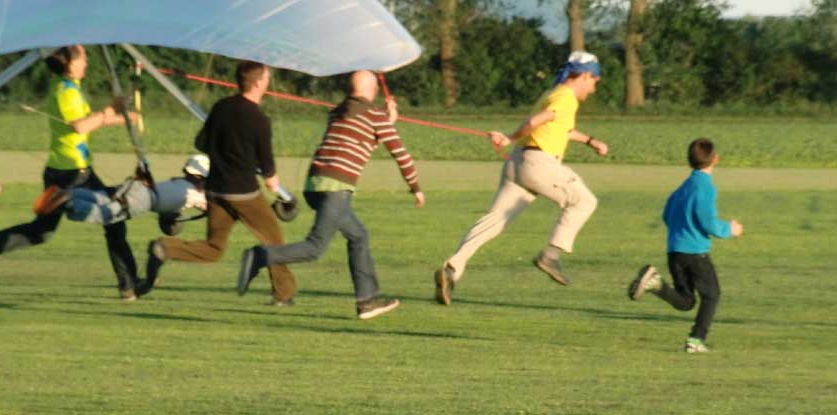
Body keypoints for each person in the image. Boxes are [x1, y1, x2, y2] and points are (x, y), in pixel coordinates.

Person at [235, 70, 425, 320]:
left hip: (315, 185)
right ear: (374, 90)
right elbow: (401, 154)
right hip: (336, 187)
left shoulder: (340, 110)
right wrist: (416, 188)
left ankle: (366, 301)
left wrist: (387, 121)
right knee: (315, 248)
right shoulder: (375, 116)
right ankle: (260, 256)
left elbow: (361, 142)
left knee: (358, 236)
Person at [435, 50, 607, 305]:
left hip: (518, 164)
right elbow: (537, 120)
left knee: (494, 221)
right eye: (594, 80)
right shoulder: (567, 97)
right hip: (539, 164)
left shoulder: (552, 93)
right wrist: (509, 137)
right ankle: (550, 256)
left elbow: (560, 128)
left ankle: (452, 267)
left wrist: (590, 141)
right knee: (584, 202)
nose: (593, 88)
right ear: (583, 75)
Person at [0, 45, 143, 299]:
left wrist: (124, 117)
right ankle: (129, 284)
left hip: (67, 171)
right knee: (114, 220)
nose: (86, 61)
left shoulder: (69, 88)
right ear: (71, 63)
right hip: (73, 175)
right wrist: (111, 109)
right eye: (83, 57)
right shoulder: (66, 91)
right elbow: (80, 126)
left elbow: (90, 120)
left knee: (43, 231)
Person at [143, 61, 298, 305]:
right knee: (274, 241)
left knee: (214, 249)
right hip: (244, 194)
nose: (268, 81)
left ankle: (164, 248)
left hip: (215, 190)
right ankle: (283, 294)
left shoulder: (221, 107)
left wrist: (225, 152)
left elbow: (202, 143)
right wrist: (280, 190)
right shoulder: (259, 120)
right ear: (258, 83)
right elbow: (268, 174)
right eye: (267, 78)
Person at [628, 138, 744, 353]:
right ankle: (696, 340)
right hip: (695, 253)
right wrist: (730, 229)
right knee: (712, 295)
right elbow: (708, 222)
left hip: (675, 252)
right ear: (715, 159)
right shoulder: (706, 187)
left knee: (686, 301)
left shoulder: (683, 187)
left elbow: (667, 215)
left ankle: (656, 283)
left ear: (689, 160)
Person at [62, 154, 210, 226]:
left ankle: (68, 194)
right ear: (201, 177)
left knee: (105, 199)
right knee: (107, 214)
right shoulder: (194, 194)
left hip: (138, 187)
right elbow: (212, 208)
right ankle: (67, 204)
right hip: (144, 199)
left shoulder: (178, 182)